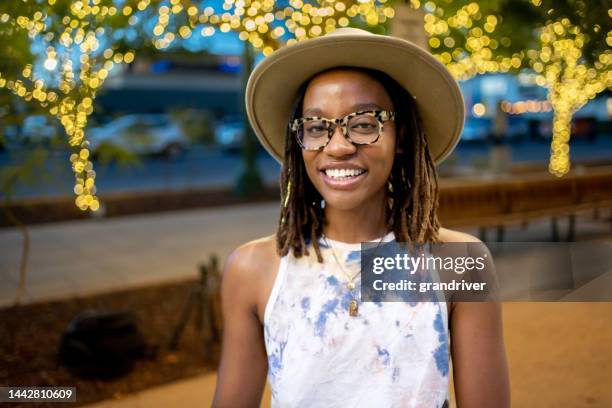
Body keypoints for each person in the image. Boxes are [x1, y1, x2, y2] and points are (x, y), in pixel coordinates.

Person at [212, 28, 510, 407]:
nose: (338, 146)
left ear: (400, 137)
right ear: (298, 141)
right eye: (317, 127)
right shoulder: (253, 268)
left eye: (365, 123)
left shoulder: (460, 262)